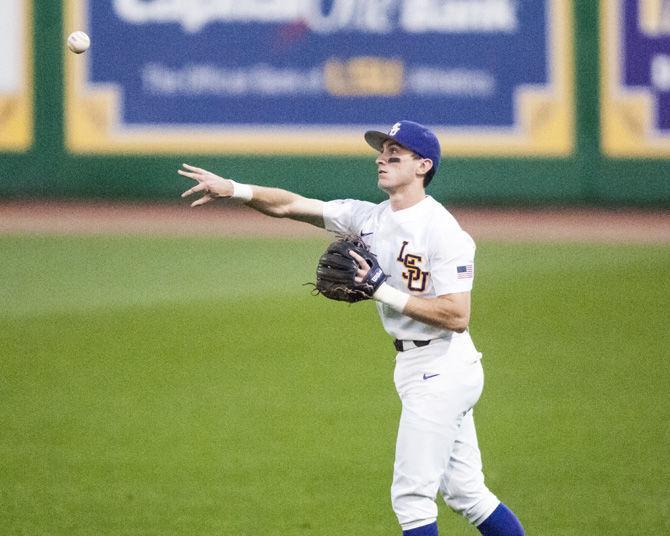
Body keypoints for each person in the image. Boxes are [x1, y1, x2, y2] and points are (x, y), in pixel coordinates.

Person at [179, 120, 525, 536]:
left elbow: (457, 314)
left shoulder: (443, 231)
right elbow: (292, 205)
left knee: (412, 500)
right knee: (466, 492)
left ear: (423, 166)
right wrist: (235, 189)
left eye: (394, 155)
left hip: (442, 366)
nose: (381, 160)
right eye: (381, 153)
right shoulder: (368, 218)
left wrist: (383, 291)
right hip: (424, 366)